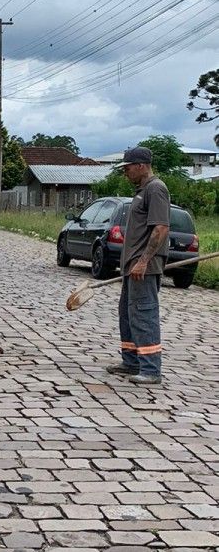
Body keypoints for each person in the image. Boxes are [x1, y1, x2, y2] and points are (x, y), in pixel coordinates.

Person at [105, 145, 170, 386]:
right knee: (128, 315)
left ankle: (151, 369)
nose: (126, 172)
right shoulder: (141, 190)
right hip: (131, 267)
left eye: (128, 167)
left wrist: (143, 261)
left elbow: (161, 228)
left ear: (141, 165)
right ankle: (130, 361)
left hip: (144, 267)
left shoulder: (156, 189)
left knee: (144, 315)